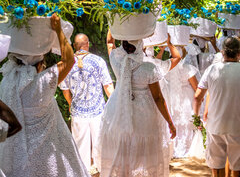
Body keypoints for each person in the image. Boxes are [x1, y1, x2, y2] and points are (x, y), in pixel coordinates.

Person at [0, 14, 89, 177]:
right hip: (48, 157)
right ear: (40, 63)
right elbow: (69, 60)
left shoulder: (6, 82)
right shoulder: (44, 82)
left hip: (19, 160)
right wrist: (58, 29)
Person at [96, 30, 176, 177]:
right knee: (143, 155)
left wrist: (114, 23)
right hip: (144, 117)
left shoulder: (116, 61)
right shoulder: (148, 69)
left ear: (123, 46)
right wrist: (170, 122)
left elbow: (109, 42)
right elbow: (158, 98)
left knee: (123, 150)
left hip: (117, 112)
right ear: (140, 46)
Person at [59, 33, 114, 172]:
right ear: (88, 44)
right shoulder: (99, 61)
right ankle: (104, 173)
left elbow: (65, 90)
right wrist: (113, 105)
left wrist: (71, 104)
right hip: (99, 110)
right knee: (101, 146)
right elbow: (107, 86)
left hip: (78, 111)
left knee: (79, 147)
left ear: (74, 46)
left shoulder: (67, 64)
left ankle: (82, 173)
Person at [194, 36, 240, 177]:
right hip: (238, 126)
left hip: (215, 124)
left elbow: (197, 97)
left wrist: (196, 117)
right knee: (237, 168)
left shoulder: (212, 70)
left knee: (217, 166)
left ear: (222, 52)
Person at [163, 45, 199, 158]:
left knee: (176, 120)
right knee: (186, 122)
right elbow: (196, 87)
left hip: (172, 98)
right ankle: (185, 147)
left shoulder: (166, 67)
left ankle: (174, 148)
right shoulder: (187, 68)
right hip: (186, 99)